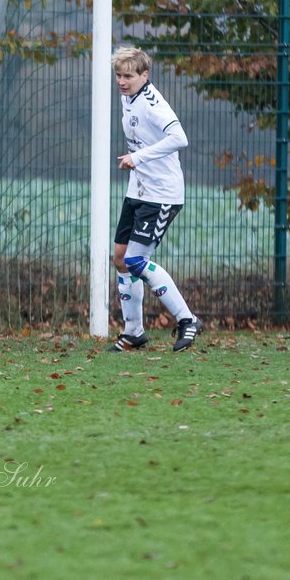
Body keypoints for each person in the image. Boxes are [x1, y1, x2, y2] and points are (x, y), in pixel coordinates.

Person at [108, 45, 202, 352]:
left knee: (136, 260)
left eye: (129, 76)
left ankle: (187, 319)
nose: (122, 81)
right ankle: (133, 331)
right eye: (118, 75)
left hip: (162, 193)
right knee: (121, 258)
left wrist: (139, 157)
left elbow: (180, 138)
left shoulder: (152, 102)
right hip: (138, 190)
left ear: (144, 75)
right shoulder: (128, 97)